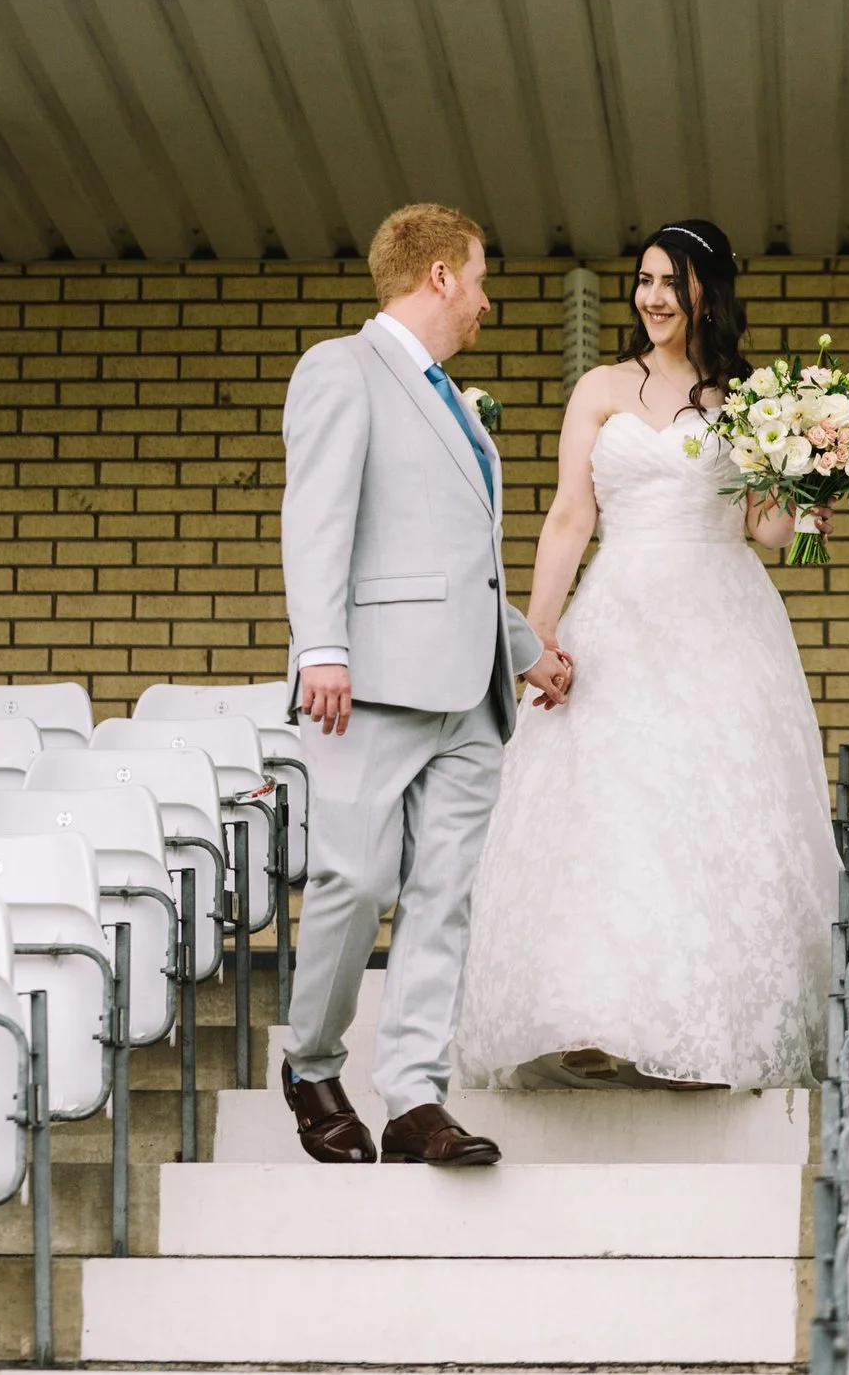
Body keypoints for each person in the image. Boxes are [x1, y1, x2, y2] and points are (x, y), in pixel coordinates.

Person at [454, 218, 838, 1091]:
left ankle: (703, 1031)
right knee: (611, 805)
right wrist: (537, 631)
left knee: (709, 811)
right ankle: (593, 1017)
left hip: (721, 620)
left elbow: (767, 530)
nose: (652, 297)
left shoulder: (750, 399)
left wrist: (810, 491)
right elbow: (569, 516)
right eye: (644, 279)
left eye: (671, 280)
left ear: (707, 290)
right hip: (619, 613)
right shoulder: (598, 388)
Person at [278, 201, 576, 1166]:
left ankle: (414, 1096)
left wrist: (525, 648)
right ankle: (312, 1062)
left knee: (444, 896)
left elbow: (465, 562)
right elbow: (316, 515)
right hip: (367, 680)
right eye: (480, 280)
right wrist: (321, 647)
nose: (487, 302)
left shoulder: (459, 406)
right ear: (440, 274)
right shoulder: (341, 368)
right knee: (356, 878)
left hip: (473, 696)